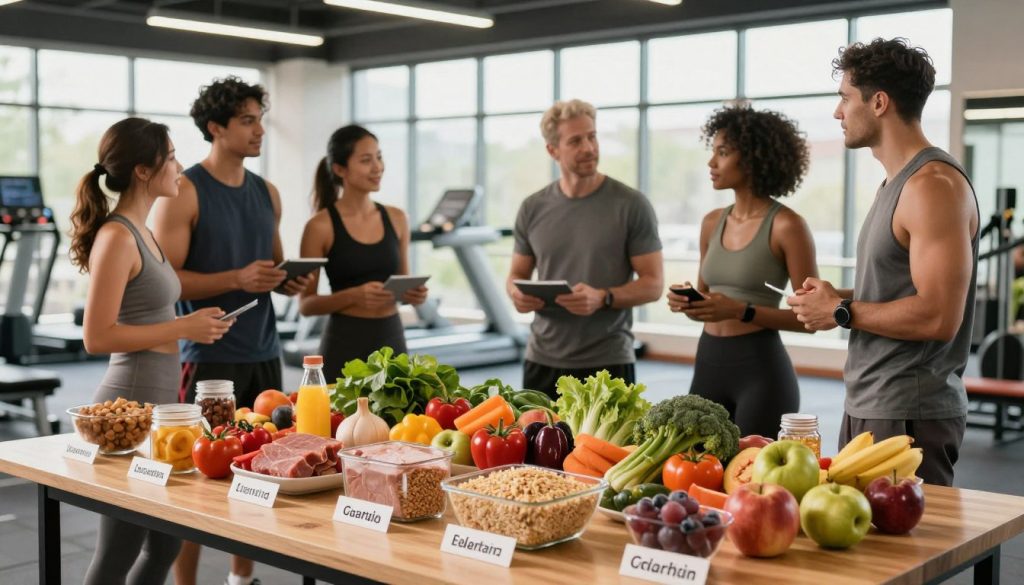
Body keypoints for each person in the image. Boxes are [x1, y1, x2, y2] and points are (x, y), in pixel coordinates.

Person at [788, 38, 979, 486]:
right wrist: (837, 298)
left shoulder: (933, 186)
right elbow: (901, 289)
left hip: (909, 412)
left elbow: (937, 316)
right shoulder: (897, 181)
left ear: (879, 102)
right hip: (872, 401)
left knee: (909, 555)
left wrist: (840, 312)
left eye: (844, 97)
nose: (838, 112)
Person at [152, 76, 307, 585]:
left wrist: (289, 279)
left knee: (261, 469)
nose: (259, 130)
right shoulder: (185, 191)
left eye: (259, 119)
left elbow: (274, 267)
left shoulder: (269, 192)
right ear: (215, 127)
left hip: (265, 351)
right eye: (247, 121)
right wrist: (236, 279)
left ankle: (242, 578)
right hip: (209, 356)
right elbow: (166, 280)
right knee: (198, 479)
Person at [70, 118, 230, 585]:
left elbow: (148, 316)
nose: (180, 166)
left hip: (160, 404)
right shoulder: (118, 236)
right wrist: (183, 326)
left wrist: (193, 325)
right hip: (128, 405)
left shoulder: (144, 231)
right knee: (118, 551)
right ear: (144, 170)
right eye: (173, 157)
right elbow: (96, 336)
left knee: (164, 546)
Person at [666, 105, 817, 438]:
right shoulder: (711, 222)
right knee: (694, 475)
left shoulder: (787, 226)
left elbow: (809, 320)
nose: (711, 163)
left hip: (760, 372)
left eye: (722, 153)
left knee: (753, 480)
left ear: (751, 159)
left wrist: (740, 310)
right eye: (713, 152)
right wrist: (689, 304)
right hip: (707, 362)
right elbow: (708, 306)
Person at [507, 99, 663, 398]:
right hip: (542, 359)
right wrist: (516, 294)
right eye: (576, 141)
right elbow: (516, 274)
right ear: (553, 150)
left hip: (608, 362)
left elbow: (653, 285)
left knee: (606, 447)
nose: (589, 148)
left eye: (592, 136)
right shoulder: (532, 207)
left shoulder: (631, 205)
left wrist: (603, 297)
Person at [298, 125, 427, 379]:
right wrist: (353, 296)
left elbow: (402, 284)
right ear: (339, 169)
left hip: (391, 338)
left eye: (379, 157)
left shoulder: (397, 218)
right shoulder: (320, 226)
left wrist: (414, 294)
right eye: (366, 160)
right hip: (345, 341)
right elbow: (306, 304)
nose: (377, 167)